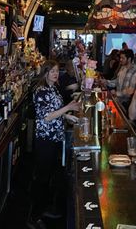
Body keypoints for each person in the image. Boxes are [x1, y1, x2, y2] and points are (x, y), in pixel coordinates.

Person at [30, 60, 80, 227]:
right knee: (42, 178)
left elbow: (54, 111)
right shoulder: (41, 91)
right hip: (45, 140)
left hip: (55, 137)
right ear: (45, 73)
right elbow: (46, 116)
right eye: (51, 71)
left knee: (52, 176)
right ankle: (33, 216)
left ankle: (46, 209)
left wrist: (67, 116)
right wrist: (67, 108)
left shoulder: (53, 88)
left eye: (57, 71)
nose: (55, 73)